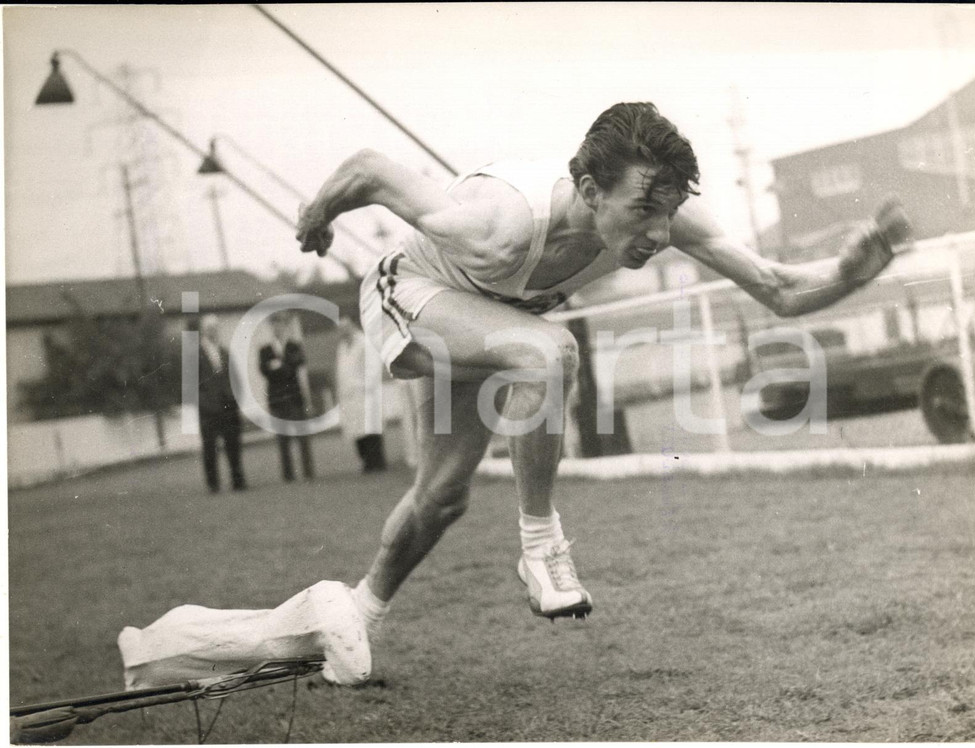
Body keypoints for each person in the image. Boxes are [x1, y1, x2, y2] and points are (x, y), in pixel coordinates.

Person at [295, 102, 911, 657]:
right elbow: (370, 168)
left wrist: (853, 273)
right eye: (643, 211)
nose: (659, 234)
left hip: (488, 318)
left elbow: (777, 289)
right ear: (590, 190)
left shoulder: (662, 213)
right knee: (548, 352)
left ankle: (357, 616)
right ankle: (541, 548)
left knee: (442, 496)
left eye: (668, 213)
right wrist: (317, 218)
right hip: (409, 293)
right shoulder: (497, 226)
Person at [192, 314, 246, 493]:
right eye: (209, 329)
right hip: (208, 409)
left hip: (229, 406)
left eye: (215, 328)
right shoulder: (196, 355)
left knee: (234, 445)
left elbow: (235, 378)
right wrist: (207, 404)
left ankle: (238, 482)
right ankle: (213, 485)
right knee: (210, 448)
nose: (213, 332)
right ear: (203, 331)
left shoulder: (224, 352)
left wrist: (236, 399)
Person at [259, 311, 315, 482]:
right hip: (277, 400)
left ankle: (308, 472)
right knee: (282, 440)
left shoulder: (293, 346)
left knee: (302, 438)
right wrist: (283, 366)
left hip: (295, 398)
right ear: (271, 327)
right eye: (275, 324)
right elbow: (264, 370)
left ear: (285, 326)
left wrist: (279, 365)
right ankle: (288, 475)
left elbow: (297, 363)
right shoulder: (265, 350)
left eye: (281, 324)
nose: (278, 328)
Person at [335, 315, 388, 473]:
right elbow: (341, 371)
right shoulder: (342, 347)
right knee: (357, 431)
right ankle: (366, 462)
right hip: (349, 395)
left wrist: (366, 386)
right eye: (340, 329)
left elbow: (373, 367)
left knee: (371, 429)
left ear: (351, 326)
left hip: (365, 393)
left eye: (345, 328)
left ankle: (377, 463)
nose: (343, 332)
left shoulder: (364, 342)